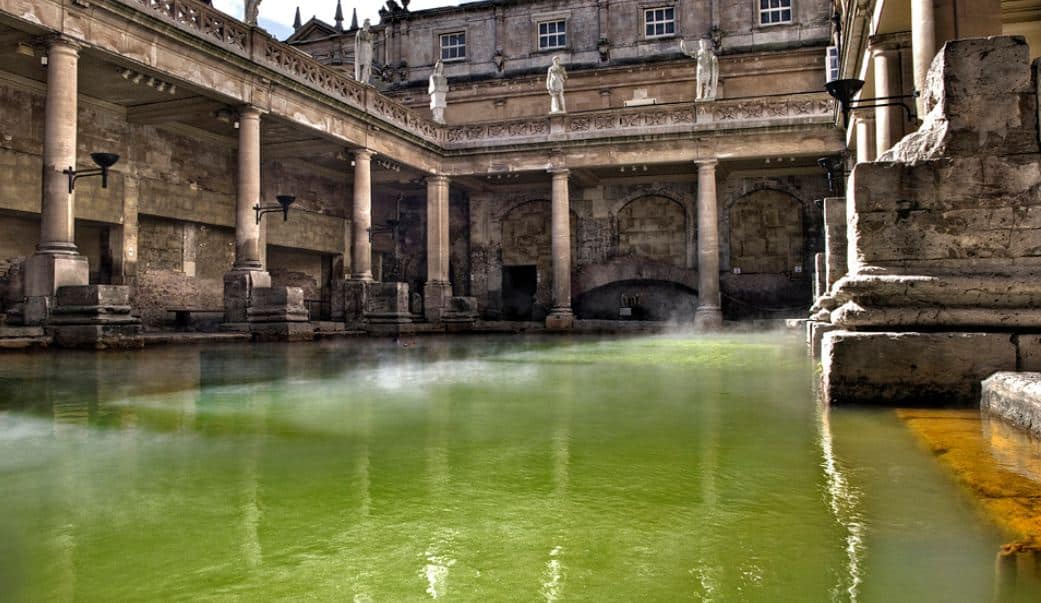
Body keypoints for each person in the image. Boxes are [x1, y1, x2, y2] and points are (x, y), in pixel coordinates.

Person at [355, 19, 374, 84]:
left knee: (367, 65)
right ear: (364, 25)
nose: (368, 26)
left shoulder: (369, 34)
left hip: (368, 49)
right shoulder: (360, 32)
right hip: (362, 48)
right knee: (363, 64)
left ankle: (365, 79)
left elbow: (371, 42)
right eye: (367, 24)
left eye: (369, 25)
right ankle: (361, 79)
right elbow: (359, 41)